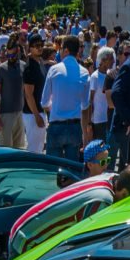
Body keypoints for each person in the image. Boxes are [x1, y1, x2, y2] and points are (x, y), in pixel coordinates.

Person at [42, 35, 90, 164]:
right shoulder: (85, 73)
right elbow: (85, 106)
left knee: (52, 167)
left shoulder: (54, 70)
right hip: (75, 126)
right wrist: (85, 134)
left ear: (66, 50)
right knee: (72, 168)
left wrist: (54, 106)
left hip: (56, 124)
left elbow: (44, 102)